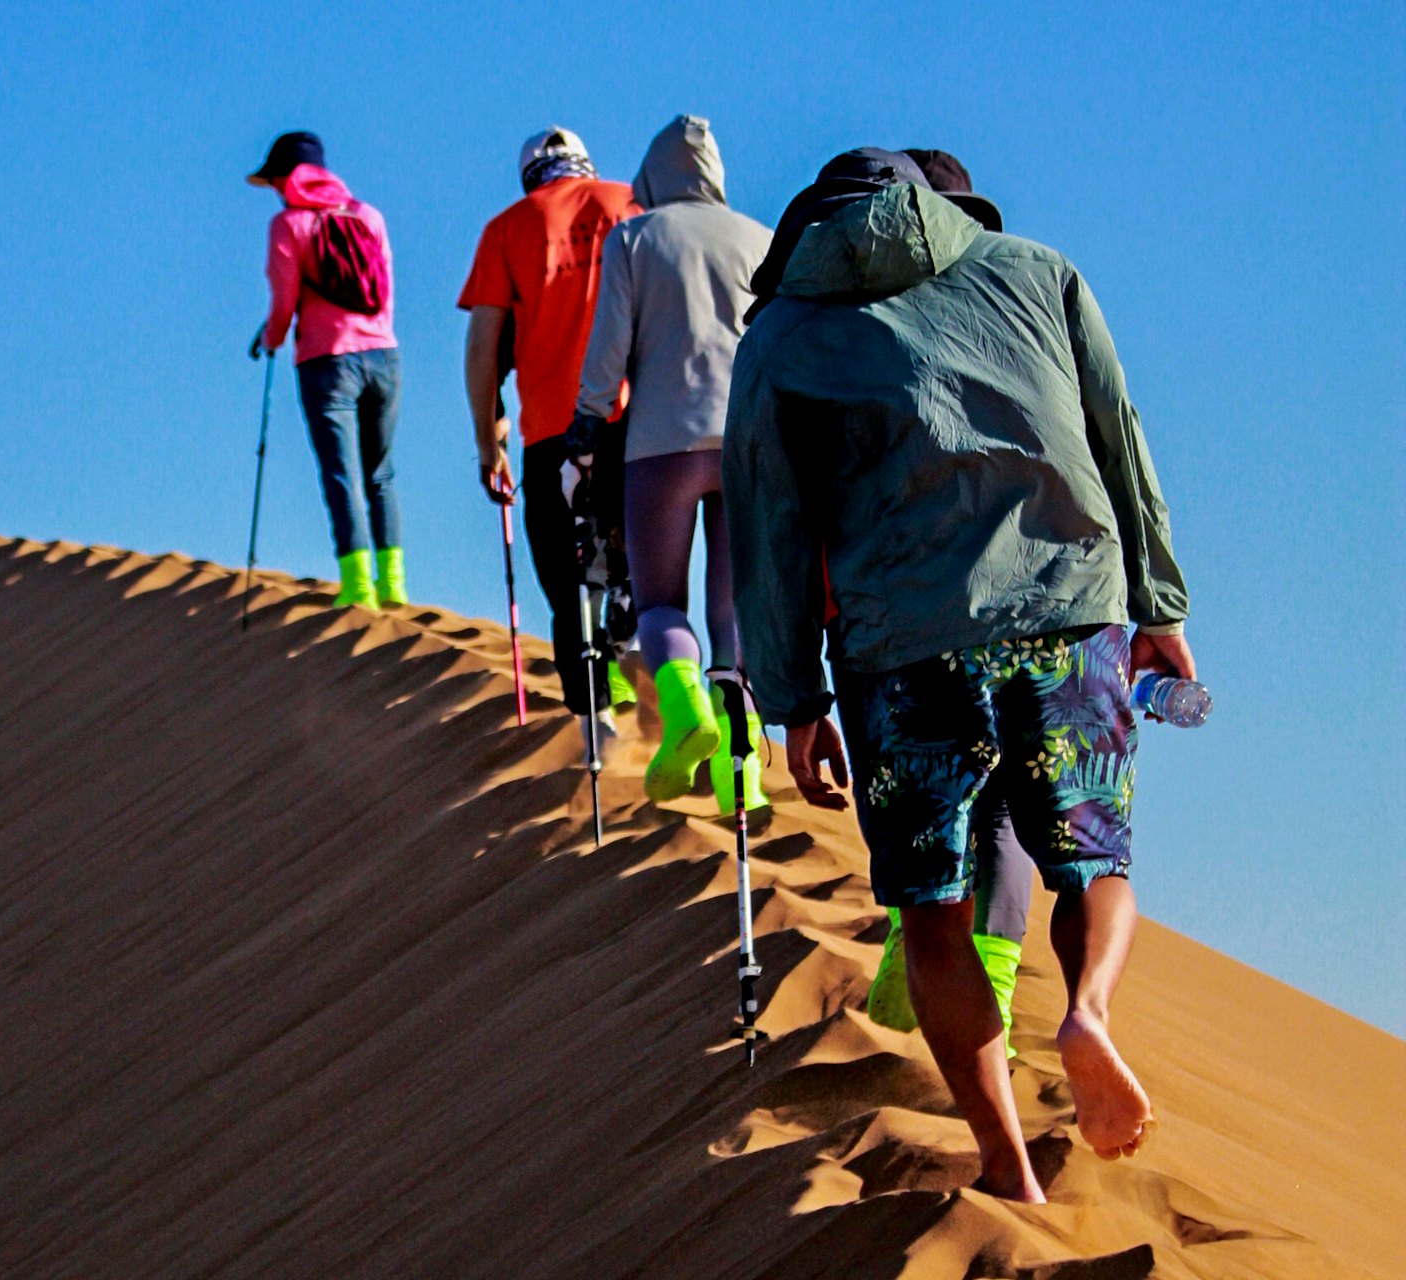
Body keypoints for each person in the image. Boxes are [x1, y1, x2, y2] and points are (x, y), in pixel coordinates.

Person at [724, 147, 1193, 1202]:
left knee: (932, 913)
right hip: (1069, 608)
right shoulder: (1036, 270)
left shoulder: (779, 340)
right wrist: (1158, 606)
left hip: (902, 651)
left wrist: (793, 701)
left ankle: (1008, 1165)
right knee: (1093, 861)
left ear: (805, 229)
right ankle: (1088, 1014)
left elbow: (771, 531)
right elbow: (1122, 439)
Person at [862, 149, 1037, 1056]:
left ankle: (918, 959)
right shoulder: (1023, 312)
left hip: (933, 604)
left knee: (932, 790)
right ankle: (989, 996)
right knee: (1006, 804)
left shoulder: (893, 322)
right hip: (1040, 597)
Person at [567, 116, 773, 813]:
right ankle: (739, 771)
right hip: (749, 444)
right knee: (733, 613)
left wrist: (588, 420)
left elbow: (610, 347)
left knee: (659, 601)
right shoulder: (761, 238)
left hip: (662, 444)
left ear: (654, 174)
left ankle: (685, 713)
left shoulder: (634, 237)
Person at [460, 127, 640, 734]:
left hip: (551, 433)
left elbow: (484, 348)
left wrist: (489, 445)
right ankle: (641, 662)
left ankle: (599, 721)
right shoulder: (630, 204)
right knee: (634, 559)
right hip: (633, 419)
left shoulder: (507, 229)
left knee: (567, 579)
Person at [249, 130, 405, 611]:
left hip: (326, 360)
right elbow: (386, 291)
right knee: (381, 474)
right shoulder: (369, 216)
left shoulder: (288, 225)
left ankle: (358, 587)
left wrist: (270, 338)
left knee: (343, 476)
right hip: (384, 357)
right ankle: (393, 584)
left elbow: (284, 301)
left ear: (284, 178)